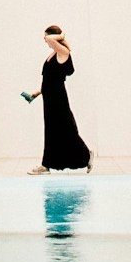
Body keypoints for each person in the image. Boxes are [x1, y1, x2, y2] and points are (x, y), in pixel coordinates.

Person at [23, 25, 92, 174]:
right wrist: (35, 94)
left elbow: (49, 38)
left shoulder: (63, 52)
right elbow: (50, 80)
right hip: (50, 97)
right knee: (52, 131)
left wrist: (61, 36)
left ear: (54, 37)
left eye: (46, 37)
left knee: (65, 130)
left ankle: (86, 155)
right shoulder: (54, 53)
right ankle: (46, 165)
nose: (45, 40)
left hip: (58, 98)